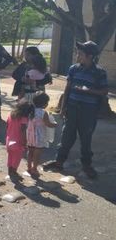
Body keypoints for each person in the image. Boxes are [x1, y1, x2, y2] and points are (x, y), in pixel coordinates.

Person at [43, 41, 108, 179]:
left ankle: (87, 165)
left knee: (86, 138)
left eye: (80, 53)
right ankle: (59, 161)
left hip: (88, 111)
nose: (77, 55)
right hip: (72, 108)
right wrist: (63, 107)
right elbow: (67, 89)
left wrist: (89, 91)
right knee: (66, 136)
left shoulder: (99, 72)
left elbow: (104, 91)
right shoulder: (74, 69)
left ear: (90, 56)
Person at [26, 92, 58, 179]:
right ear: (45, 104)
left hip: (30, 134)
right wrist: (55, 124)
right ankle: (34, 169)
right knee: (37, 153)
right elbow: (48, 124)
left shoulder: (30, 110)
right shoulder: (43, 112)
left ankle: (29, 167)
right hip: (39, 135)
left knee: (30, 151)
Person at [6, 100, 34, 181]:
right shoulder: (23, 119)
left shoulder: (11, 115)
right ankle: (14, 173)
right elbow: (22, 131)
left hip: (9, 140)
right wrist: (24, 142)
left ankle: (10, 172)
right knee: (16, 159)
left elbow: (7, 126)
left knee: (10, 157)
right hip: (18, 142)